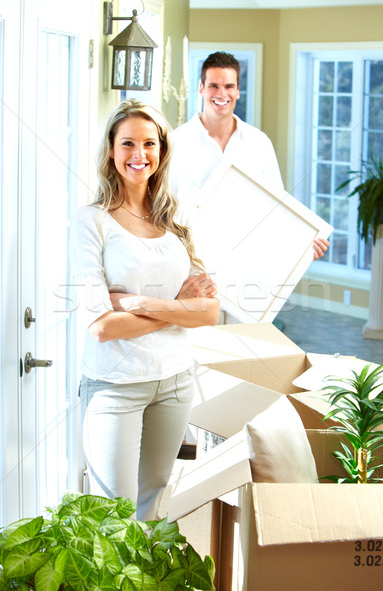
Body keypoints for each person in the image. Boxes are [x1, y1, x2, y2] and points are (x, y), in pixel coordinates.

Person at [70, 99, 219, 521]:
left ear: (161, 151)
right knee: (112, 515)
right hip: (115, 385)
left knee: (153, 504)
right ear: (111, 151)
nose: (140, 155)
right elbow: (100, 326)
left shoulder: (174, 218)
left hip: (173, 382)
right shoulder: (92, 221)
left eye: (149, 144)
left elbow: (208, 312)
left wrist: (137, 303)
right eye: (128, 144)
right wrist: (177, 307)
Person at [169, 51, 329, 260]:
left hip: (245, 259)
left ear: (237, 92)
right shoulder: (175, 142)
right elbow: (161, 207)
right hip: (188, 260)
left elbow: (276, 208)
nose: (221, 94)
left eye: (229, 87)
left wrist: (303, 246)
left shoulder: (258, 143)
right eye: (213, 86)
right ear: (201, 89)